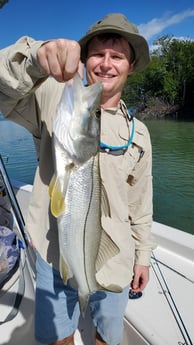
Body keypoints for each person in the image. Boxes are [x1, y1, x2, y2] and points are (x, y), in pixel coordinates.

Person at [0, 13, 156, 345]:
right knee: (58, 337)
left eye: (117, 56)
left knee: (106, 337)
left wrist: (143, 256)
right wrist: (35, 57)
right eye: (98, 53)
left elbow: (141, 202)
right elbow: (3, 88)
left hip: (116, 258)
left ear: (130, 65)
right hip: (54, 255)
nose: (106, 63)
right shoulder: (56, 98)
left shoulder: (138, 133)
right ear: (85, 60)